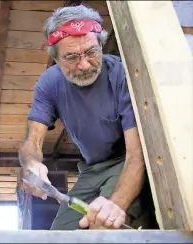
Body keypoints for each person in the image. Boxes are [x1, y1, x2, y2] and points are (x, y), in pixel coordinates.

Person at [18, 5, 154, 230]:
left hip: (125, 162)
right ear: (56, 57)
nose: (83, 65)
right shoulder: (48, 83)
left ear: (100, 44)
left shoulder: (122, 75)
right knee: (59, 234)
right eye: (71, 56)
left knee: (102, 228)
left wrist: (116, 205)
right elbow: (32, 142)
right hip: (91, 169)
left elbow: (136, 154)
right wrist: (32, 163)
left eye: (91, 51)